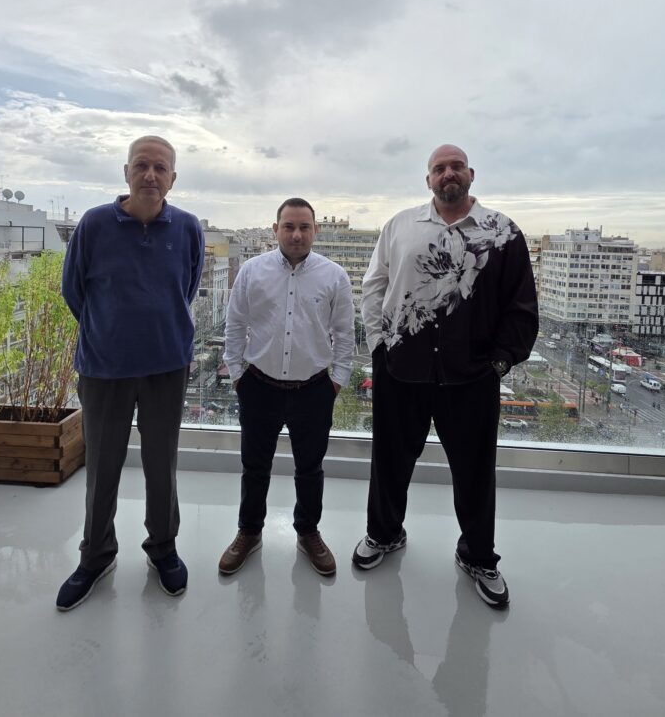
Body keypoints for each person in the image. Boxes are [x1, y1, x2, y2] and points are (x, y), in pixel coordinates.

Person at [352, 144, 538, 608]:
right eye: (439, 168)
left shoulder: (503, 232)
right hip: (401, 368)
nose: (448, 173)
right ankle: (383, 533)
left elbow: (521, 306)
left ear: (471, 174)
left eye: (456, 166)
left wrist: (500, 363)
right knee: (389, 461)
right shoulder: (400, 226)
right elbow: (373, 286)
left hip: (472, 377)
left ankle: (478, 555)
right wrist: (379, 347)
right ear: (428, 179)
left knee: (475, 471)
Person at [56, 135, 205, 610]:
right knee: (102, 466)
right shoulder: (95, 224)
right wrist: (109, 332)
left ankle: (163, 548)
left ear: (173, 179)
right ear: (126, 172)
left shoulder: (187, 228)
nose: (150, 175)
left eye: (160, 168)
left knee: (162, 465)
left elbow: (187, 288)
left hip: (167, 366)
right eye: (142, 165)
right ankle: (95, 556)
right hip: (104, 368)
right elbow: (73, 290)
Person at [219, 198, 355, 576]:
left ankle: (308, 532)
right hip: (259, 386)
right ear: (275, 229)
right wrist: (237, 374)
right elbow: (235, 324)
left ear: (315, 230)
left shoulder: (334, 276)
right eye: (289, 226)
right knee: (254, 466)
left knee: (310, 468)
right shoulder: (252, 271)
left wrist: (337, 381)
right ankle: (249, 531)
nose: (296, 234)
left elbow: (345, 333)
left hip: (314, 389)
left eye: (304, 227)